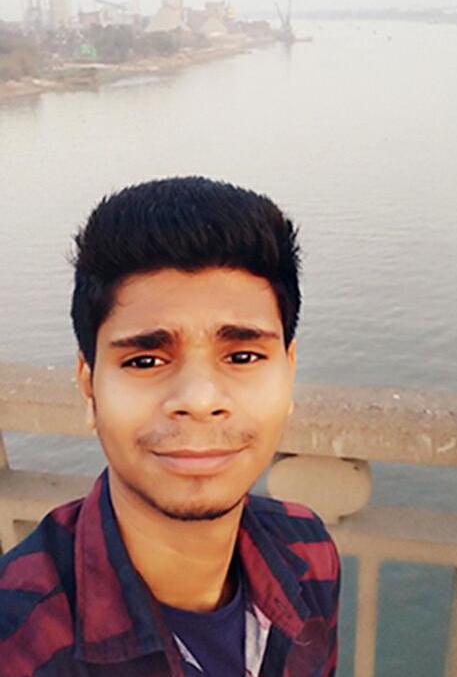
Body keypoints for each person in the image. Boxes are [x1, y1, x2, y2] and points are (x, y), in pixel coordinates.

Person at [0, 177, 341, 676]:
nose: (199, 400)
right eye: (145, 361)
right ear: (89, 385)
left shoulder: (308, 552)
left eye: (243, 356)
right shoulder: (21, 640)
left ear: (288, 373)